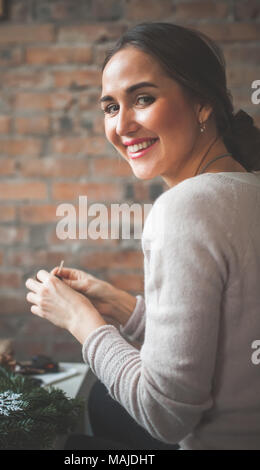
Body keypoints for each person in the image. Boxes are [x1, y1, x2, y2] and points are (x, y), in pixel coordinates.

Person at [25, 22, 260, 450]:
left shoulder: (185, 208)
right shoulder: (248, 186)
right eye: (110, 107)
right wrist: (117, 305)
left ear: (203, 103)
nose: (122, 125)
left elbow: (166, 414)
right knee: (102, 403)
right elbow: (228, 339)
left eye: (143, 99)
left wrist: (81, 321)